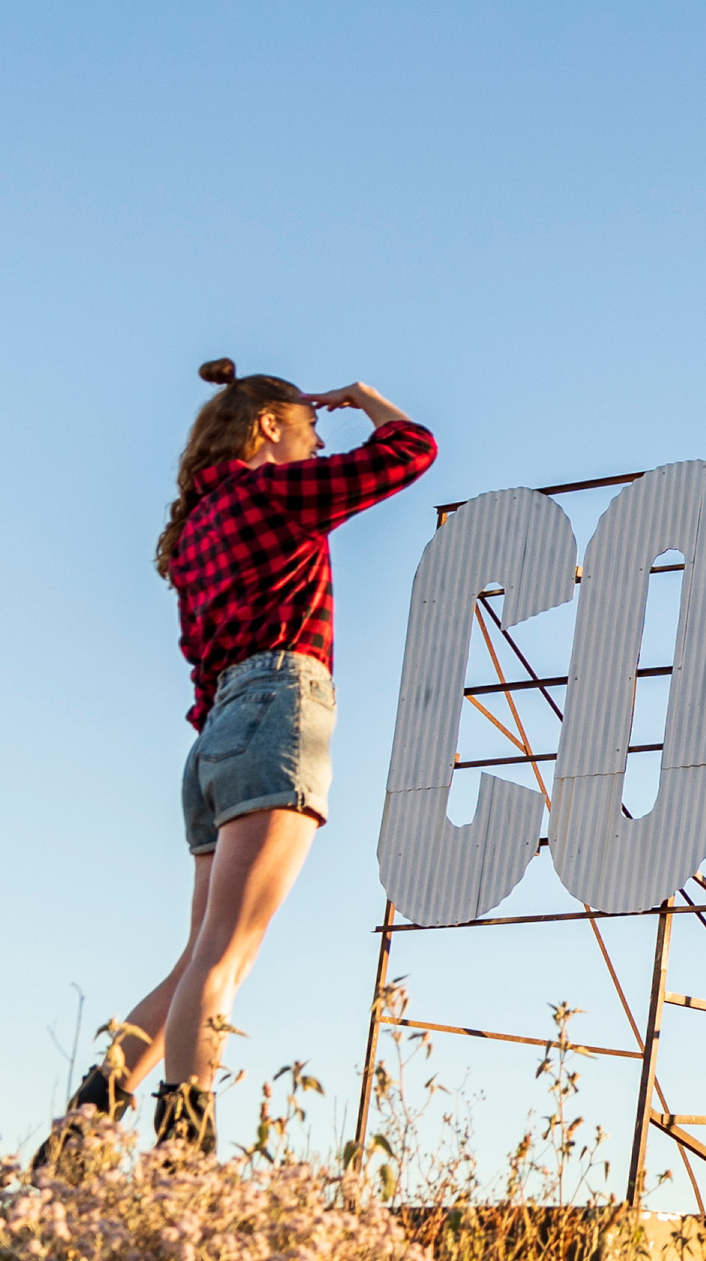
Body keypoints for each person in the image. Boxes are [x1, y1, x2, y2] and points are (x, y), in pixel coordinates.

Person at [36, 360, 436, 1167]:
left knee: (197, 957)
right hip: (277, 708)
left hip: (216, 731)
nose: (316, 444)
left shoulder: (195, 529)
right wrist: (363, 400)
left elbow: (200, 662)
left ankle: (78, 1142)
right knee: (226, 959)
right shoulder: (270, 495)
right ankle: (184, 1162)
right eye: (309, 429)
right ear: (268, 428)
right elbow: (412, 449)